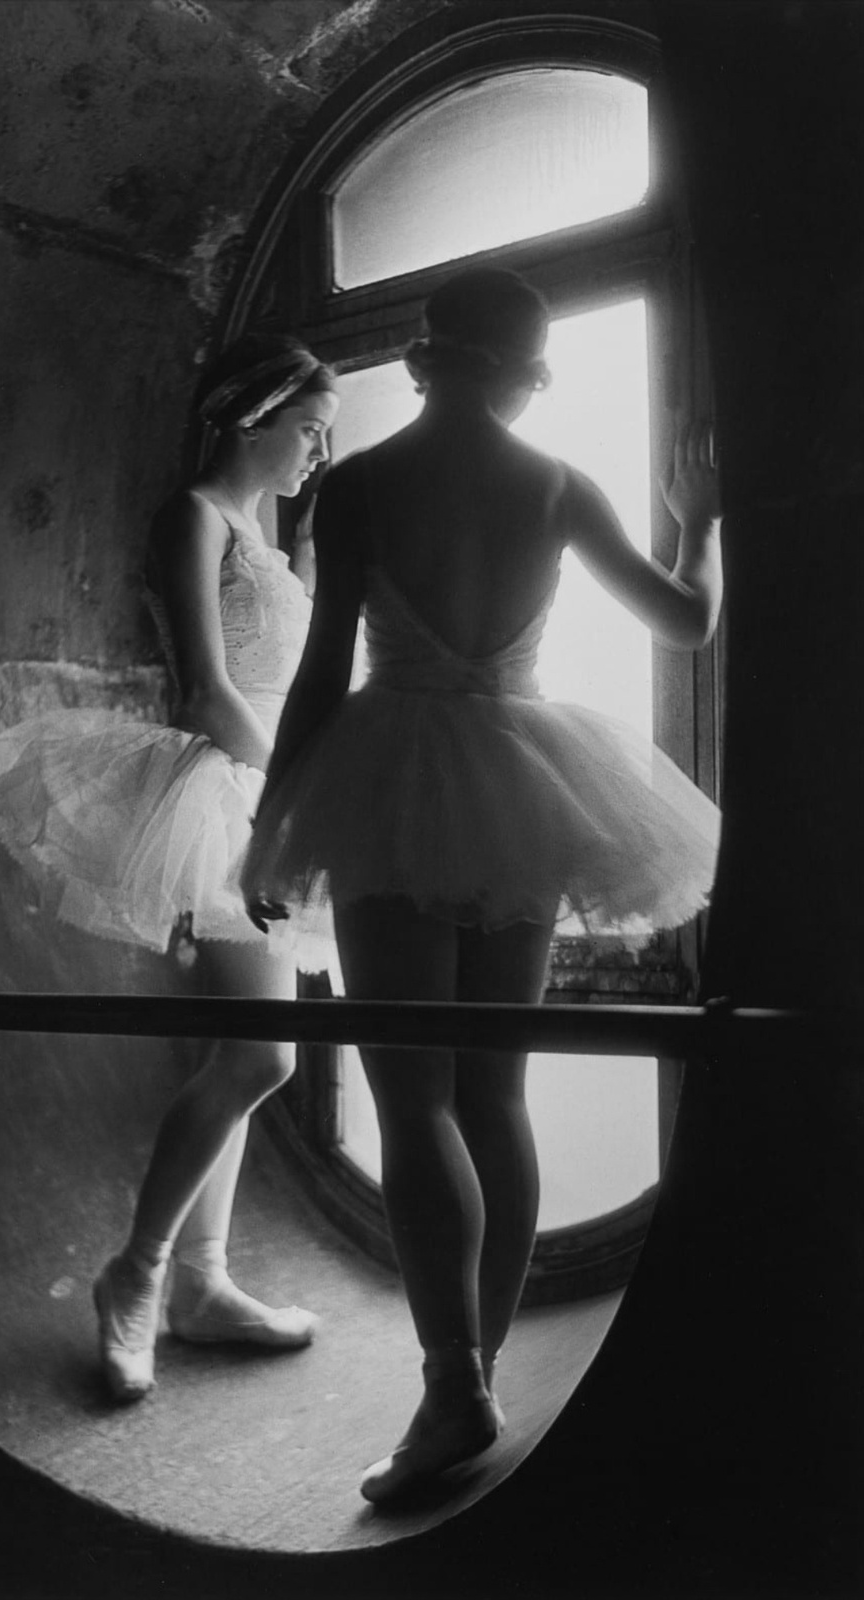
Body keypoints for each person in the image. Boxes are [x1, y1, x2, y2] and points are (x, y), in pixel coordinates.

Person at [242, 267, 722, 1504]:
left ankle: (452, 1381)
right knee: (494, 1093)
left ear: (421, 357)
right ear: (528, 369)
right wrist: (700, 522)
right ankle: (476, 1370)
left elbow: (316, 672)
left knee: (414, 1102)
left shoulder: (354, 486)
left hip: (388, 773)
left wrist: (271, 823)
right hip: (520, 779)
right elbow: (683, 623)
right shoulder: (557, 484)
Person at [0, 333, 339, 1402]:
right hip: (232, 788)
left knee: (249, 1051)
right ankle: (137, 1277)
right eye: (309, 428)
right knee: (262, 1059)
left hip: (269, 783)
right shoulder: (194, 515)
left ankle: (200, 1284)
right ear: (252, 415)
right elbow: (203, 692)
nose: (317, 451)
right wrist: (295, 807)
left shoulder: (269, 532)